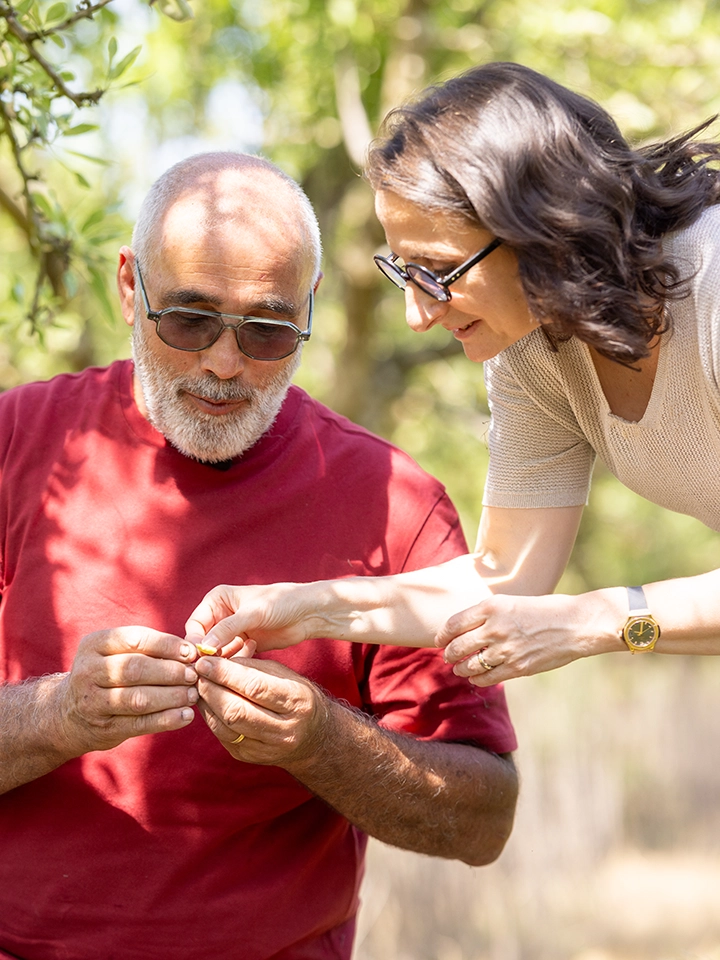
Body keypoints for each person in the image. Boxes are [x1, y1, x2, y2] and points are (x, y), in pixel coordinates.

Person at [0, 151, 518, 960]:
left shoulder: (396, 503)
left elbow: (483, 821)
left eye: (268, 329)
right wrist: (58, 714)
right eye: (190, 320)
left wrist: (323, 741)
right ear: (131, 286)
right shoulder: (19, 445)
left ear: (311, 307)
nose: (224, 364)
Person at [186, 62, 720, 691]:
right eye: (404, 271)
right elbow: (504, 575)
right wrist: (308, 608)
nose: (417, 314)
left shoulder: (711, 278)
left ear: (544, 227)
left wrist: (593, 621)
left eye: (438, 270)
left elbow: (567, 613)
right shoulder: (530, 348)